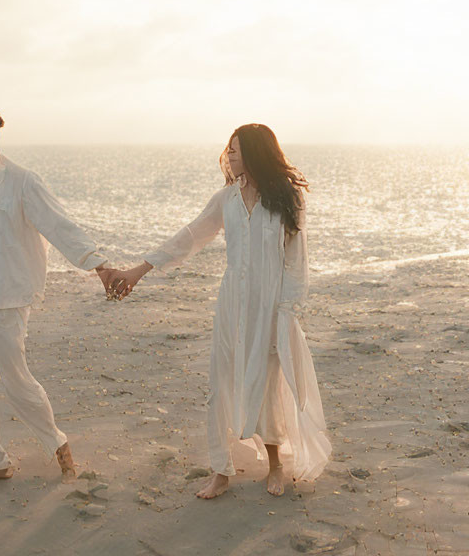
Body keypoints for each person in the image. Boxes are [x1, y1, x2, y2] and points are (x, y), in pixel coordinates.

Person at [107, 124, 331, 498]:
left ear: (257, 152)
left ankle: (275, 466)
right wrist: (139, 270)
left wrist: (288, 309)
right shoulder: (226, 199)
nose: (229, 155)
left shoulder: (287, 198)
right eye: (228, 149)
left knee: (267, 383)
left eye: (237, 149)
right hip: (232, 305)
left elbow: (296, 260)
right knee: (221, 382)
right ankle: (221, 471)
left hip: (272, 306)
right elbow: (190, 236)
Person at [0, 106, 114, 488]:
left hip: (8, 299)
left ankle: (59, 445)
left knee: (16, 380)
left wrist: (98, 264)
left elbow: (58, 225)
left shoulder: (22, 181)